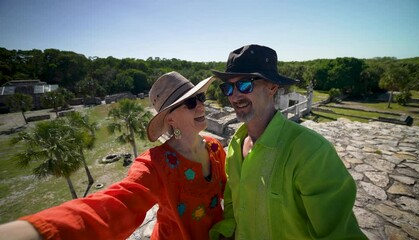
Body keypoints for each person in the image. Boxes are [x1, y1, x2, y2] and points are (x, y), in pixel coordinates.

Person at [0, 71, 227, 240]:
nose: (200, 106)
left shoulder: (214, 148)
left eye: (200, 98)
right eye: (190, 102)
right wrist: (39, 232)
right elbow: (118, 205)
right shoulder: (156, 165)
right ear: (170, 119)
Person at [209, 44, 367, 239]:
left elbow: (339, 234)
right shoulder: (235, 145)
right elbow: (234, 204)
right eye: (228, 87)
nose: (234, 95)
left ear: (272, 87)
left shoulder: (311, 152)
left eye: (245, 84)